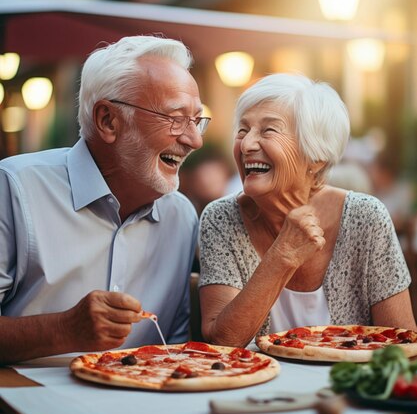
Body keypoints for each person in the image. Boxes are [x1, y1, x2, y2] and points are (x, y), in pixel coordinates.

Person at [0, 35, 210, 364]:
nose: (194, 139)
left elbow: (173, 345)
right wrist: (63, 330)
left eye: (197, 120)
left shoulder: (181, 216)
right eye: (175, 118)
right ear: (108, 121)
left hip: (141, 404)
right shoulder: (13, 188)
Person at [199, 73, 416, 347]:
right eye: (242, 130)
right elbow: (223, 341)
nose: (246, 144)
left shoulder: (365, 217)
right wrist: (283, 255)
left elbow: (403, 344)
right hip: (255, 388)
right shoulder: (221, 218)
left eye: (268, 130)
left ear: (315, 156)